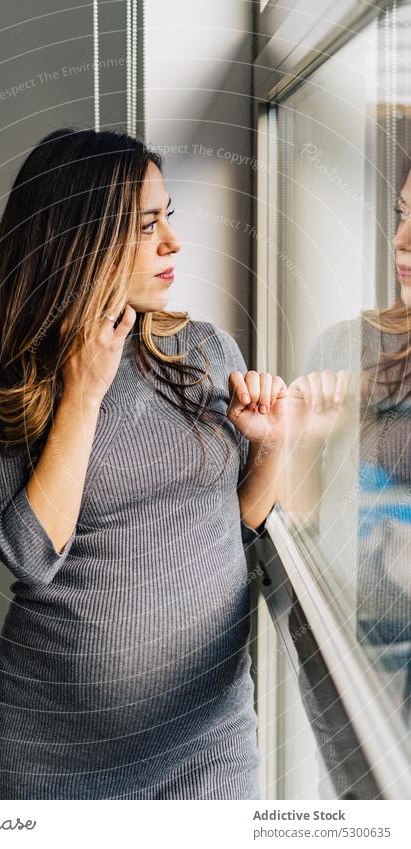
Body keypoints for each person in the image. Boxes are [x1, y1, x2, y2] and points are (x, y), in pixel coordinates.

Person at [0, 126, 287, 800]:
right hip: (54, 756)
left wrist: (272, 445)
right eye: (146, 225)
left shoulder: (206, 351)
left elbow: (231, 531)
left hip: (206, 740)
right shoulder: (17, 378)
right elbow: (29, 553)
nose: (172, 242)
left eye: (168, 216)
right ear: (80, 239)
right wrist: (83, 391)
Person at [282, 159, 411, 796]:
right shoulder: (343, 346)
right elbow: (296, 523)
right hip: (350, 663)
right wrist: (307, 440)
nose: (402, 240)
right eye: (402, 214)